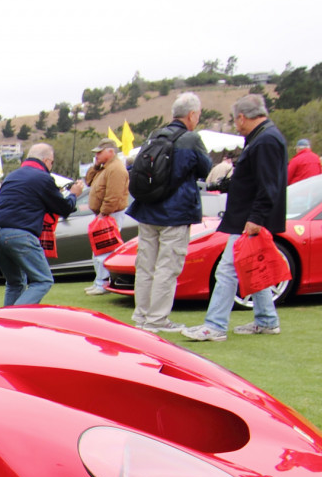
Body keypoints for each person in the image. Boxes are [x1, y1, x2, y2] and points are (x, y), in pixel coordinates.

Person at [184, 93, 288, 342]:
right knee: (252, 265)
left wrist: (256, 218)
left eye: (235, 119)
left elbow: (268, 185)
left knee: (227, 270)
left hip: (249, 218)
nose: (235, 124)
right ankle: (266, 320)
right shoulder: (265, 138)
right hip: (249, 216)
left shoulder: (265, 141)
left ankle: (215, 325)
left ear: (242, 117)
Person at [127, 93, 212, 332]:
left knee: (145, 265)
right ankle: (157, 319)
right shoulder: (191, 139)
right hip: (176, 211)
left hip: (147, 210)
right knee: (167, 266)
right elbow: (205, 168)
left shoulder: (155, 135)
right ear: (192, 115)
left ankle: (142, 315)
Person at [0, 143, 82, 306]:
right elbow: (64, 208)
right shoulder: (42, 178)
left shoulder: (11, 176)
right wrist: (73, 195)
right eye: (52, 163)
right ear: (46, 160)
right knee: (43, 281)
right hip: (20, 234)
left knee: (15, 283)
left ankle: (6, 326)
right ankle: (14, 315)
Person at [81, 138, 129, 295]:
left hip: (109, 214)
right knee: (99, 250)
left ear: (111, 151)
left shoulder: (116, 169)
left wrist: (104, 213)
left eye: (99, 153)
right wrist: (95, 166)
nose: (96, 156)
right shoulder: (105, 168)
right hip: (104, 214)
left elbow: (113, 195)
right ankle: (99, 281)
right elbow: (88, 181)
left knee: (104, 249)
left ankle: (104, 283)